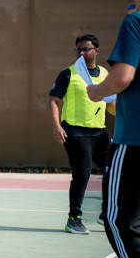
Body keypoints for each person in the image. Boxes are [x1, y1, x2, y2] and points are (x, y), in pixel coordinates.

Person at [86, 0, 140, 258]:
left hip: (139, 137)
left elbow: (122, 78)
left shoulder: (137, 22)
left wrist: (97, 90)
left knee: (118, 219)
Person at [48, 34, 115, 235]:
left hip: (100, 133)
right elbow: (53, 101)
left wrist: (122, 114)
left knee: (113, 172)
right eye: (78, 49)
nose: (81, 52)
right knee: (83, 174)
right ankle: (74, 219)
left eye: (86, 49)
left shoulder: (105, 74)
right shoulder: (68, 74)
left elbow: (111, 104)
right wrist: (56, 126)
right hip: (76, 133)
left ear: (96, 51)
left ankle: (106, 215)